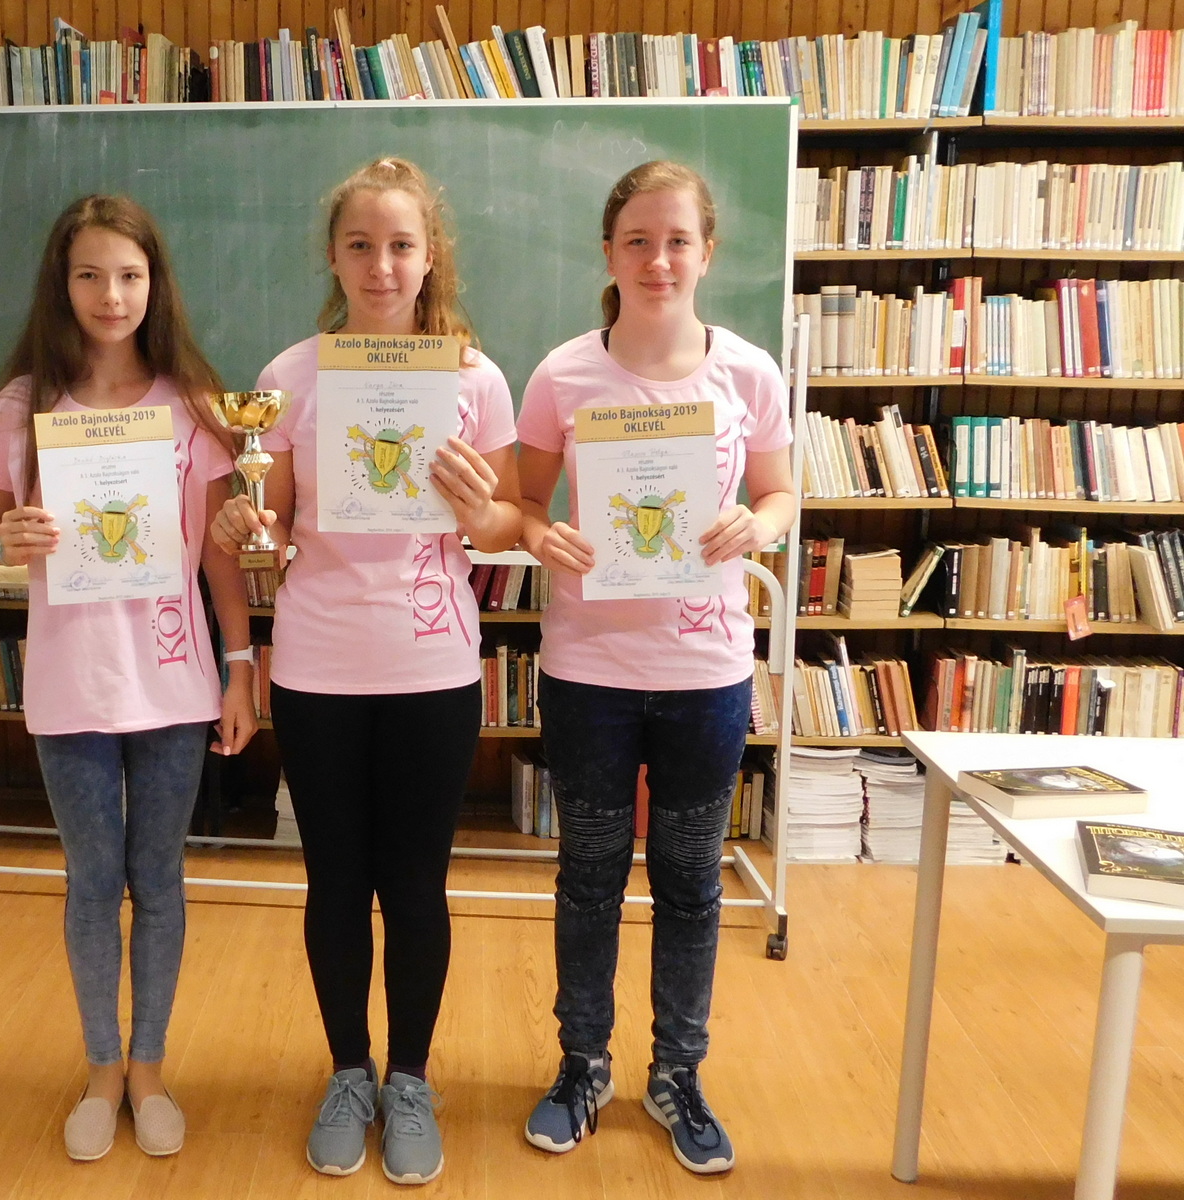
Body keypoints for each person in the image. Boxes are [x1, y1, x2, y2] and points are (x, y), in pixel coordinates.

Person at [210, 157, 522, 1186]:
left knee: (416, 884)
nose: (381, 265)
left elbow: (506, 524)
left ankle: (411, 1080)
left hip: (433, 667)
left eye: (400, 245)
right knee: (336, 882)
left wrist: (481, 509)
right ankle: (349, 1072)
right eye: (360, 245)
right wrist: (250, 525)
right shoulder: (290, 375)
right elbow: (273, 524)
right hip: (318, 667)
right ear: (333, 257)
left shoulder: (474, 379)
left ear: (431, 256)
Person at [515, 161, 795, 1175]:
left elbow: (780, 495)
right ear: (609, 252)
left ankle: (677, 1072)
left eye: (677, 241)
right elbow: (524, 505)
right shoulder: (562, 375)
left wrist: (756, 524)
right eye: (637, 240)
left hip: (705, 674)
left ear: (707, 252)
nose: (658, 259)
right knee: (588, 876)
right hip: (589, 669)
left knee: (688, 881)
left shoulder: (748, 374)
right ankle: (581, 1064)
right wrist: (540, 536)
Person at [0, 194, 256, 1163]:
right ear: (62, 284)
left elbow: (217, 552)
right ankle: (100, 1067)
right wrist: (8, 539)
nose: (110, 294)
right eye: (89, 274)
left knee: (158, 880)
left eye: (129, 275)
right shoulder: (25, 404)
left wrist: (241, 666)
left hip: (172, 682)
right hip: (72, 685)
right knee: (93, 882)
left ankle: (149, 1067)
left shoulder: (191, 404)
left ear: (154, 284)